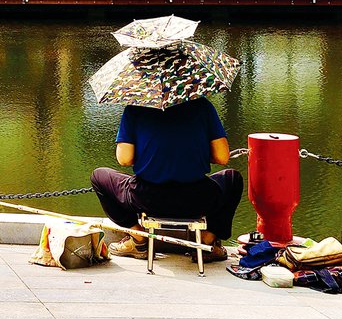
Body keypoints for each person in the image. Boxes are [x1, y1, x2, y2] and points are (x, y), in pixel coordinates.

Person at [90, 96, 243, 261]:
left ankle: (139, 238)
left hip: (146, 199)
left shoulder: (135, 108)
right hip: (198, 199)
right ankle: (208, 242)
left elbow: (124, 159)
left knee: (99, 177)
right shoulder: (202, 106)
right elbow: (222, 157)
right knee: (233, 179)